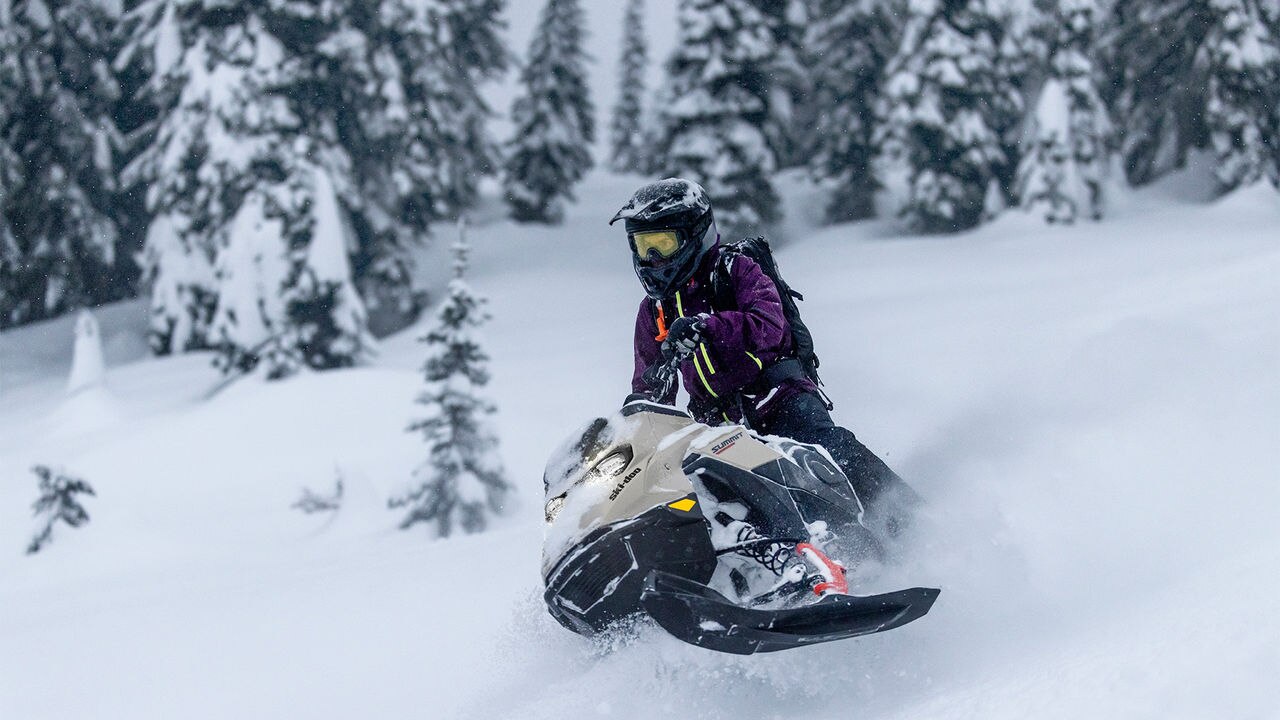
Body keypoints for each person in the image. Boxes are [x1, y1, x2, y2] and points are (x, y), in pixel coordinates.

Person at [611, 178, 918, 535]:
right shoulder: (653, 313)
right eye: (643, 245)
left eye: (662, 244)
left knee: (832, 451)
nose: (652, 259)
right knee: (714, 506)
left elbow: (769, 326)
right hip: (717, 429)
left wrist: (708, 326)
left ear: (694, 235)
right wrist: (635, 433)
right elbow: (649, 393)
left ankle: (911, 519)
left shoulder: (735, 269)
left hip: (779, 400)